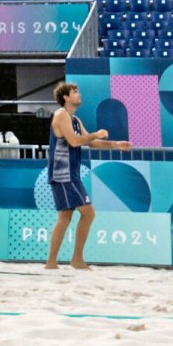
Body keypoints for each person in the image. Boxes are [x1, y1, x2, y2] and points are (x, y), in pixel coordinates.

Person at [45, 79, 128, 270]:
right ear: (66, 97)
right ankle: (75, 260)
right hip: (63, 173)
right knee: (88, 213)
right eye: (75, 92)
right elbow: (75, 142)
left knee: (65, 216)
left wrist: (115, 144)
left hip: (69, 173)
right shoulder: (61, 115)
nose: (79, 94)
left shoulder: (75, 119)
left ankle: (52, 262)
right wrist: (96, 134)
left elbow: (90, 143)